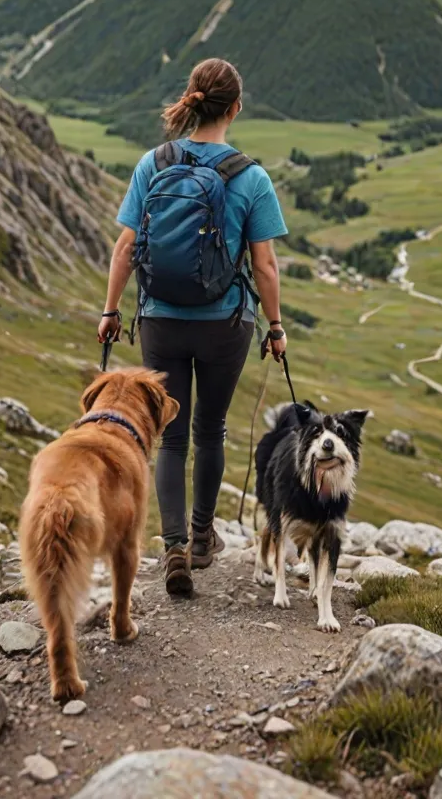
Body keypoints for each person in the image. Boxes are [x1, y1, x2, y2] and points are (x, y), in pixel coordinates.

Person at [98, 58, 288, 597]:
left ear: (190, 99)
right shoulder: (250, 176)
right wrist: (275, 327)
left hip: (159, 318)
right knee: (211, 429)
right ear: (235, 109)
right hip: (226, 322)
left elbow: (127, 247)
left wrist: (111, 311)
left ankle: (174, 545)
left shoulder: (152, 164)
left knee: (170, 437)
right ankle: (204, 539)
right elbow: (266, 265)